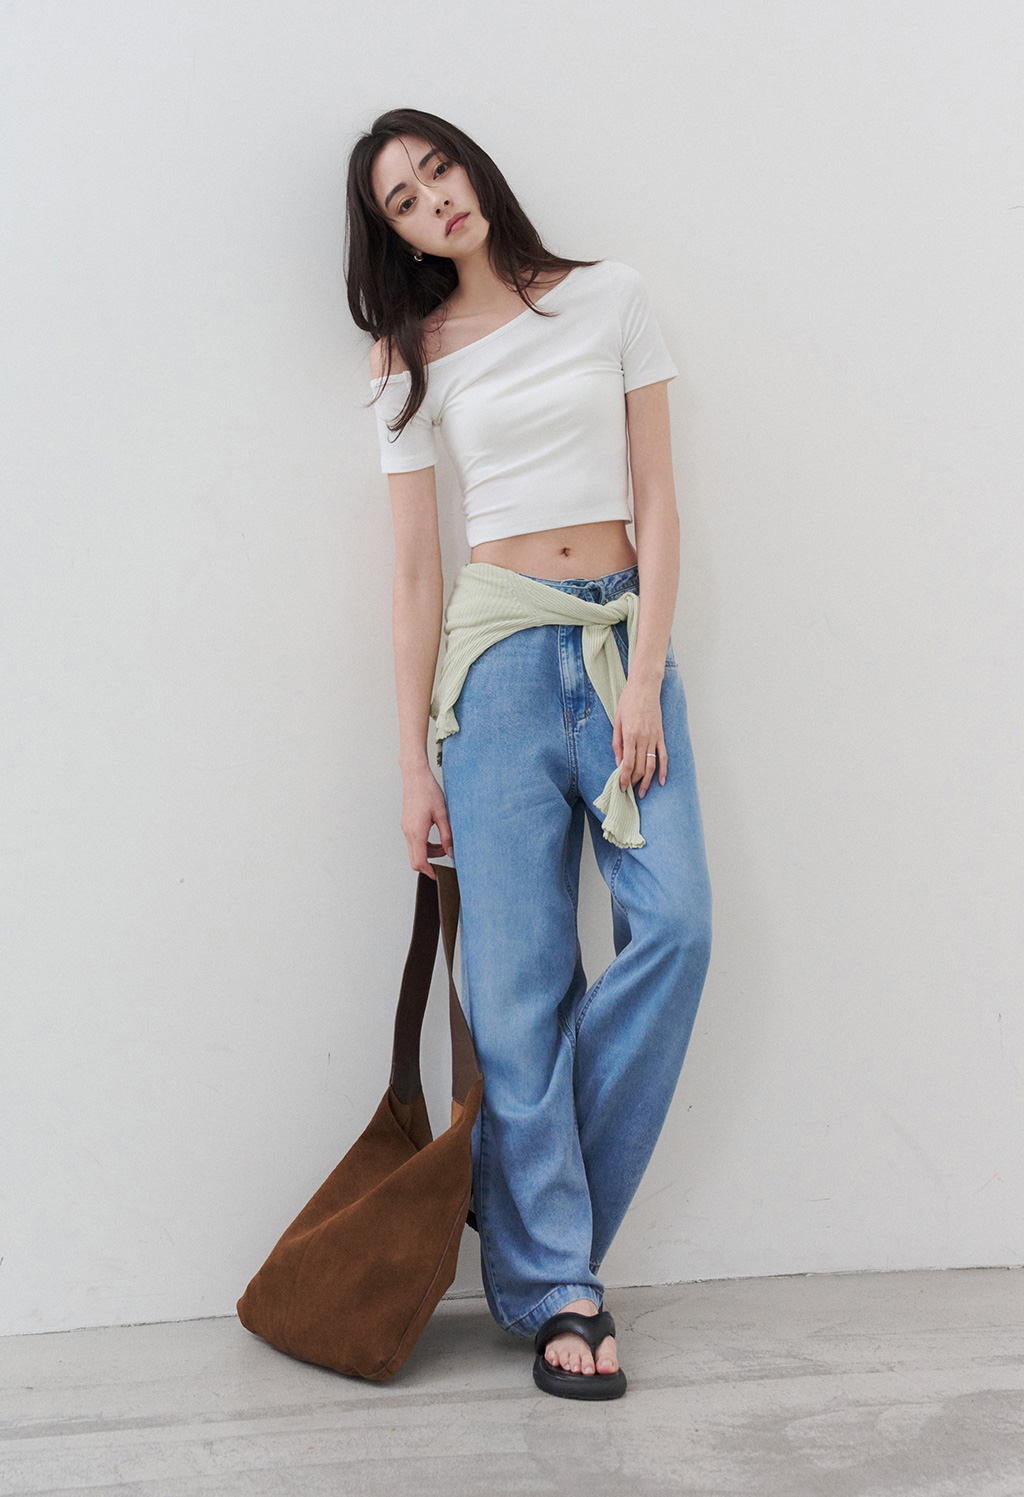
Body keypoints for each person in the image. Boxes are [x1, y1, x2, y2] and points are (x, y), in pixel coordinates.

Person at [346, 108, 712, 1401]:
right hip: (492, 667)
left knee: (677, 928)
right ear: (394, 235)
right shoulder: (409, 358)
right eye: (402, 201)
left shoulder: (612, 296)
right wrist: (411, 766)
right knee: (514, 993)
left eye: (436, 170)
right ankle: (560, 1285)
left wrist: (647, 679)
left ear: (473, 165)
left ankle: (516, 1206)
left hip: (618, 651)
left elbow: (658, 499)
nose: (433, 202)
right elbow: (413, 573)